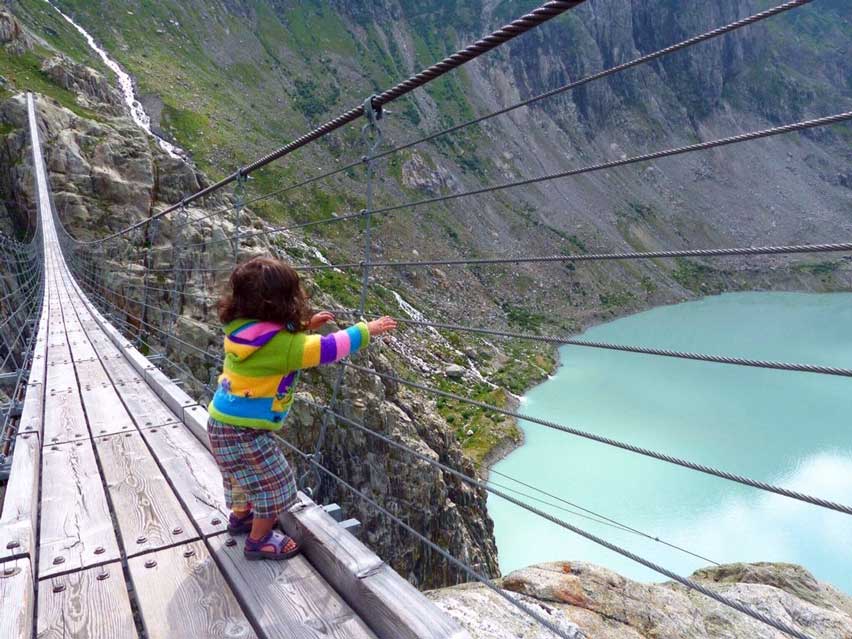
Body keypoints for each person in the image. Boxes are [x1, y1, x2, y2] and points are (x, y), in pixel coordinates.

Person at [208, 256, 397, 560]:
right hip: (245, 432)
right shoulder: (285, 347)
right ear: (282, 301)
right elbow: (327, 348)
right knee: (276, 483)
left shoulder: (240, 329)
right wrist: (366, 330)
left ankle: (241, 518)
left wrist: (305, 325)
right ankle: (259, 540)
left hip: (220, 421)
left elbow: (269, 336)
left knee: (241, 476)